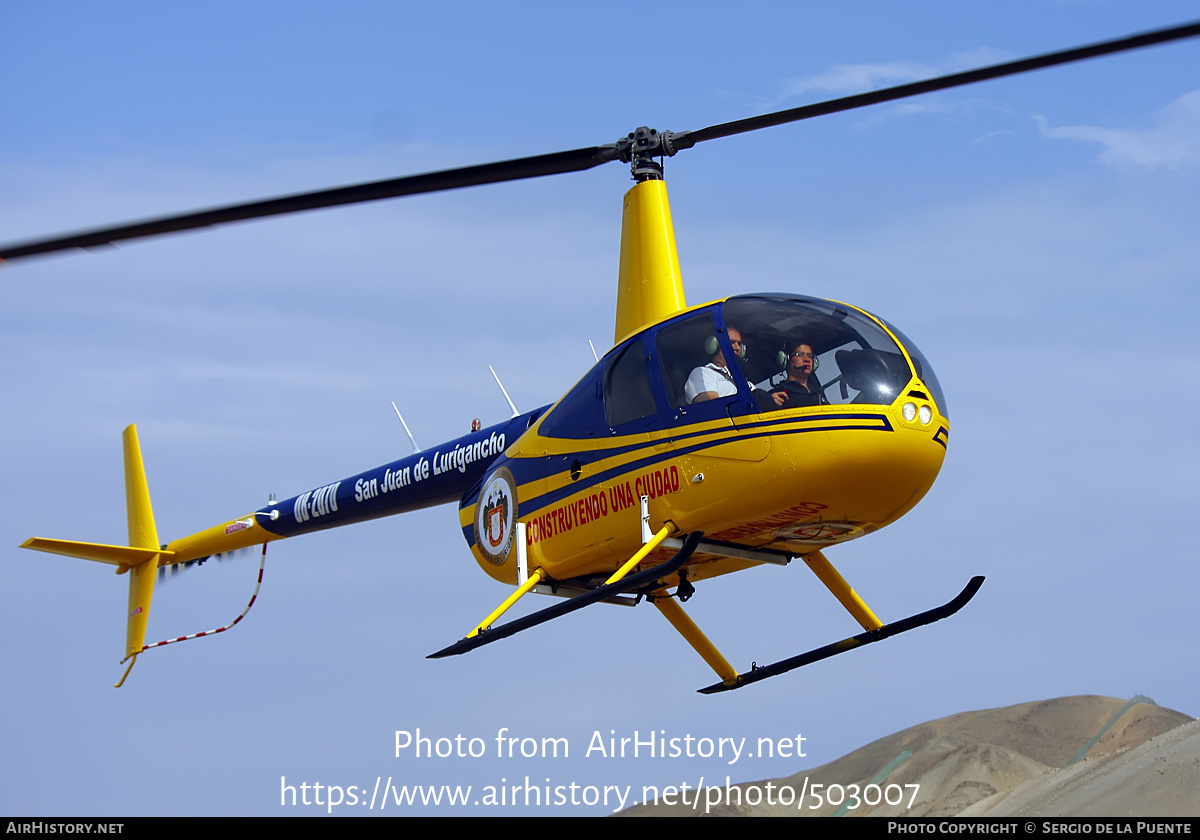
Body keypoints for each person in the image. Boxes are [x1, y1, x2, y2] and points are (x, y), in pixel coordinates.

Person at [684, 327, 745, 403]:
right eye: (731, 342)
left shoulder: (744, 382)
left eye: (739, 344)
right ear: (714, 345)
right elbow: (714, 407)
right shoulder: (702, 373)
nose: (737, 348)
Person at [772, 340, 825, 408]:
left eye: (810, 355)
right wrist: (771, 404)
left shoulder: (819, 393)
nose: (807, 359)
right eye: (799, 354)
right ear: (786, 359)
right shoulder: (778, 394)